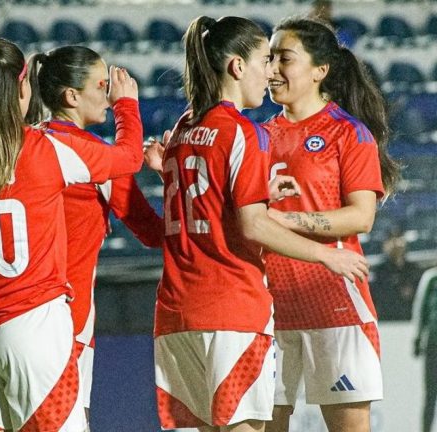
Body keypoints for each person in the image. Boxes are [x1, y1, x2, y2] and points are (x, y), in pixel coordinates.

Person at [0, 37, 144, 431]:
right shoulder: (45, 148)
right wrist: (126, 105)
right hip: (33, 325)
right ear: (23, 88)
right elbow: (130, 158)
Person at [152, 16, 369, 432]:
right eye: (264, 60)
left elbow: (202, 202)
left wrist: (256, 189)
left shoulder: (182, 127)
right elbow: (253, 226)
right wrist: (325, 254)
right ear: (237, 66)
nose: (270, 72)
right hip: (230, 310)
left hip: (175, 315)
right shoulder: (244, 132)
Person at [262, 17, 400, 432]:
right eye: (269, 59)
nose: (271, 70)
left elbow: (361, 216)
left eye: (284, 58)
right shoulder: (257, 136)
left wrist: (286, 219)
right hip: (267, 307)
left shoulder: (348, 133)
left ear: (320, 70)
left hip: (333, 301)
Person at [25, 44, 163, 421]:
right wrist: (127, 108)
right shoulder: (92, 157)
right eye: (102, 86)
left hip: (13, 317)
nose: (108, 94)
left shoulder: (25, 144)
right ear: (71, 96)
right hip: (66, 319)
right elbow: (153, 233)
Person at [371, 227, 420, 320]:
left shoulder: (413, 268)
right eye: (392, 240)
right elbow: (379, 297)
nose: (397, 244)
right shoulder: (380, 271)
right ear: (385, 245)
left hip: (410, 319)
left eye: (399, 239)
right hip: (387, 321)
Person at [413, 266, 437, 432]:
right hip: (433, 345)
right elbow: (420, 309)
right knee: (430, 395)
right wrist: (418, 336)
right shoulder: (431, 278)